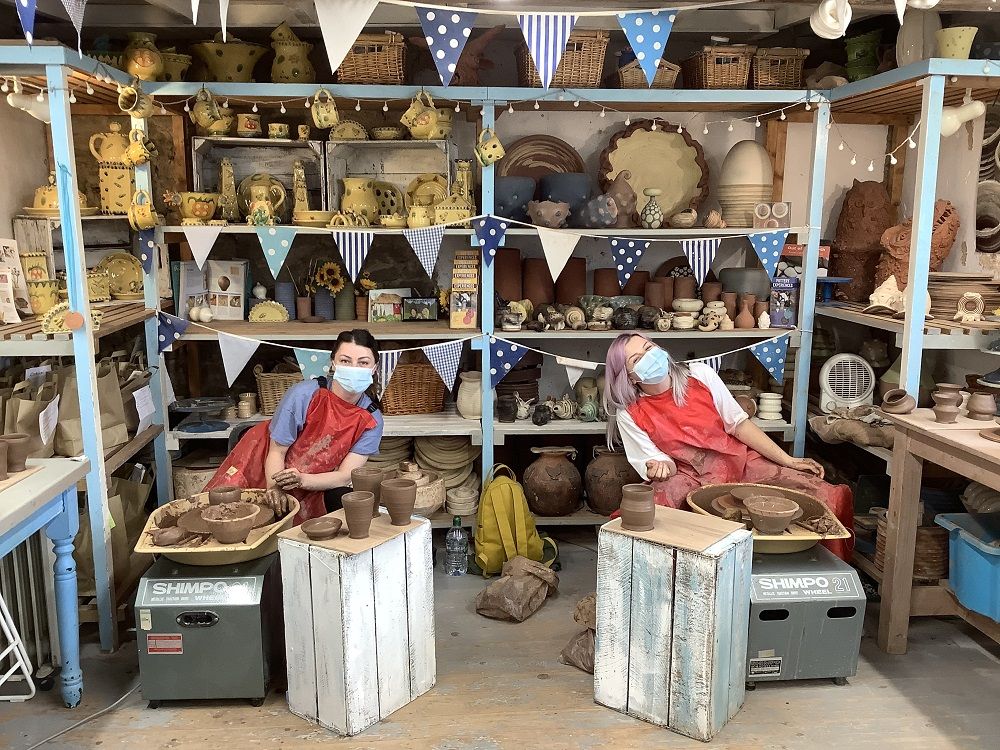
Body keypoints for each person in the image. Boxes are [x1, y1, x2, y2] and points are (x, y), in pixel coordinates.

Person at [604, 333, 853, 560]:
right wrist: (660, 467)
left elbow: (739, 425)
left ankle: (827, 570)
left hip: (739, 462)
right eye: (637, 359)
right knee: (644, 516)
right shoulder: (630, 412)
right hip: (689, 474)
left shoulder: (699, 375)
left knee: (826, 495)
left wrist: (788, 460)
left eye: (650, 348)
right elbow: (660, 463)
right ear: (629, 377)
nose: (650, 357)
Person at [204, 329, 384, 523]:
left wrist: (301, 480)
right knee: (226, 515)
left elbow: (344, 476)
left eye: (363, 362)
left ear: (374, 368)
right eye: (346, 361)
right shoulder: (304, 394)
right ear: (333, 363)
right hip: (263, 464)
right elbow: (277, 452)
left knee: (343, 506)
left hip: (313, 481)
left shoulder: (372, 419)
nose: (354, 368)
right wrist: (274, 487)